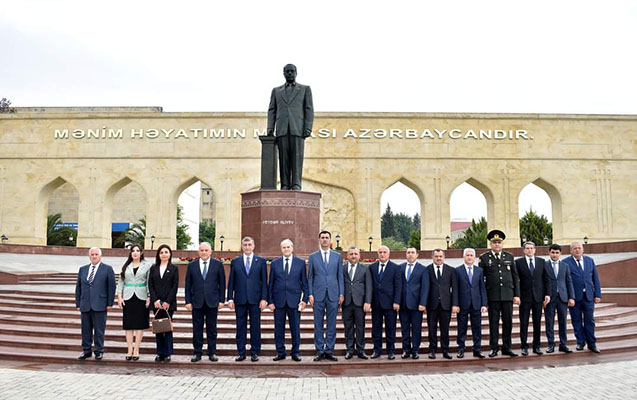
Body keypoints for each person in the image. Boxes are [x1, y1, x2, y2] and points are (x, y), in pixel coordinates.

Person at [266, 63, 314, 190]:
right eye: (287, 71)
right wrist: (270, 127)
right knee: (283, 158)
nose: (290, 73)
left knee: (297, 157)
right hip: (282, 129)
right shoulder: (276, 91)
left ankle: (296, 184)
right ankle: (285, 184)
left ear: (296, 73)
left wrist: (308, 127)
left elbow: (309, 109)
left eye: (292, 71)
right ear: (283, 73)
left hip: (297, 128)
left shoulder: (305, 89)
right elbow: (272, 110)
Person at [479, 229, 520, 357]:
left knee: (508, 323)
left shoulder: (509, 257)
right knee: (493, 323)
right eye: (494, 242)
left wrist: (516, 295)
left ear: (502, 244)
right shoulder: (484, 258)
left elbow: (515, 277)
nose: (497, 245)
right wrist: (484, 298)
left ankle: (507, 347)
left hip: (507, 295)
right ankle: (494, 348)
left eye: (499, 242)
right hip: (493, 296)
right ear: (490, 244)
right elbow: (481, 279)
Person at [227, 236, 268, 362]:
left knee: (255, 326)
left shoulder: (261, 261)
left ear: (253, 246)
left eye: (249, 245)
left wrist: (264, 298)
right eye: (245, 245)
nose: (247, 247)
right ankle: (241, 352)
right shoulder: (235, 262)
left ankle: (255, 352)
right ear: (242, 246)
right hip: (240, 299)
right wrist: (230, 298)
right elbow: (231, 281)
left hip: (255, 300)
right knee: (240, 327)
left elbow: (264, 282)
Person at [268, 238, 308, 361]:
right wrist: (270, 301)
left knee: (295, 329)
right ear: (281, 249)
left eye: (288, 247)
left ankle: (295, 352)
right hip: (278, 302)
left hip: (294, 302)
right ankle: (280, 352)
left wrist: (304, 299)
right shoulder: (275, 263)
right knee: (278, 329)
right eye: (284, 247)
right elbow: (271, 284)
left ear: (292, 248)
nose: (286, 249)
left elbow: (304, 283)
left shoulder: (300, 263)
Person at [185, 242, 225, 362]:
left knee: (212, 328)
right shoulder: (192, 266)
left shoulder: (218, 265)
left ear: (210, 252)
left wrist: (222, 300)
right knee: (197, 328)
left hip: (212, 301)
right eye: (202, 250)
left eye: (206, 250)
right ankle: (197, 352)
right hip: (196, 302)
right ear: (198, 252)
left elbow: (222, 284)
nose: (204, 252)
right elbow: (188, 285)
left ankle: (212, 352)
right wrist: (188, 301)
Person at [308, 230, 344, 361]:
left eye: (326, 237)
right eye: (322, 237)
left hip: (333, 294)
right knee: (318, 324)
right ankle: (319, 349)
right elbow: (310, 277)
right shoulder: (313, 257)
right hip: (317, 295)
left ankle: (329, 350)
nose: (324, 239)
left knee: (331, 324)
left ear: (330, 240)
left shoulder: (337, 256)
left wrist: (341, 293)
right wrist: (310, 294)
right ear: (319, 240)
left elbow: (340, 276)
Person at [75, 247, 115, 360]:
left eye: (96, 254)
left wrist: (110, 303)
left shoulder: (107, 269)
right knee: (85, 329)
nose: (94, 256)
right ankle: (86, 350)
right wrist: (78, 303)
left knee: (99, 330)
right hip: (85, 304)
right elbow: (78, 287)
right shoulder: (83, 269)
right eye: (92, 254)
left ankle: (99, 351)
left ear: (100, 256)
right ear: (89, 256)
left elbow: (111, 287)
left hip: (100, 304)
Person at [563, 241, 602, 353]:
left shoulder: (590, 260)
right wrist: (569, 297)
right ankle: (580, 342)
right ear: (571, 250)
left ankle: (592, 343)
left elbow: (595, 278)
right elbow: (565, 281)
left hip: (589, 296)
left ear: (583, 249)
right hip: (574, 298)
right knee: (576, 320)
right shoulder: (565, 262)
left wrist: (597, 294)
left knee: (590, 320)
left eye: (579, 248)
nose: (577, 250)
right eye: (574, 248)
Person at [116, 244, 151, 361]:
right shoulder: (126, 265)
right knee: (129, 324)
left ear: (141, 253)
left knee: (139, 324)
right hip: (128, 296)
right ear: (130, 253)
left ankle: (136, 349)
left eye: (137, 251)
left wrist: (149, 296)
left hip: (141, 296)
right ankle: (129, 349)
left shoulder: (147, 265)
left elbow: (149, 282)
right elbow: (121, 282)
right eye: (133, 251)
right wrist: (119, 296)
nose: (135, 253)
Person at [515, 241, 551, 355]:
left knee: (537, 323)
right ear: (524, 250)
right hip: (524, 298)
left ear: (535, 250)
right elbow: (516, 280)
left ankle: (537, 346)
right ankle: (524, 346)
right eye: (527, 248)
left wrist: (547, 294)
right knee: (524, 323)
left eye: (531, 248)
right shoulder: (518, 262)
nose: (529, 250)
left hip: (538, 297)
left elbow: (546, 279)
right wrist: (517, 295)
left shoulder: (541, 262)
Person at [369, 245, 402, 359]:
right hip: (376, 303)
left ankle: (391, 351)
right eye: (380, 252)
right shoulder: (372, 267)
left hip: (390, 303)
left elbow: (398, 286)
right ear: (377, 254)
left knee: (390, 328)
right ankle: (377, 350)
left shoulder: (395, 268)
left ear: (388, 254)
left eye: (384, 252)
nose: (382, 254)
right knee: (376, 328)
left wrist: (397, 301)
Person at [426, 248, 459, 359]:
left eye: (440, 256)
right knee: (432, 329)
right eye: (436, 256)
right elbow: (425, 288)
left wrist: (455, 304)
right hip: (431, 305)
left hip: (446, 305)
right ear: (432, 257)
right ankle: (432, 350)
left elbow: (455, 289)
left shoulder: (451, 270)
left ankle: (445, 350)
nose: (438, 258)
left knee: (445, 329)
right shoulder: (427, 270)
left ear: (444, 257)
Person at [148, 244, 179, 362]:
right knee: (158, 328)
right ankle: (160, 353)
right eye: (161, 252)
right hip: (156, 303)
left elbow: (174, 286)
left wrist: (167, 301)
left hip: (168, 304)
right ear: (158, 255)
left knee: (167, 328)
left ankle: (167, 353)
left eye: (166, 252)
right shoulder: (153, 268)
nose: (164, 254)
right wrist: (155, 300)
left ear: (170, 254)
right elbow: (150, 284)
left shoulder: (174, 268)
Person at [455, 248, 488, 359]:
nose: (469, 257)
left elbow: (482, 288)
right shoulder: (457, 270)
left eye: (471, 255)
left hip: (476, 304)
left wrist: (484, 304)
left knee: (477, 328)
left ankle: (477, 349)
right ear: (463, 257)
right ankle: (461, 349)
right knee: (461, 328)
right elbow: (455, 289)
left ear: (474, 257)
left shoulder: (479, 271)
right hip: (462, 304)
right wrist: (455, 304)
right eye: (467, 255)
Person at [342, 246, 372, 360]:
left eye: (355, 254)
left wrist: (368, 301)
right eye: (351, 254)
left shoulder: (365, 269)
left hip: (360, 303)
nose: (353, 256)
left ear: (359, 256)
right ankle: (349, 350)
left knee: (360, 327)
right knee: (348, 327)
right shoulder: (342, 268)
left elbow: (369, 286)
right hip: (346, 303)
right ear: (347, 256)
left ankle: (360, 350)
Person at [398, 247, 428, 359]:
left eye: (412, 253)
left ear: (417, 255)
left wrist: (423, 303)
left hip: (416, 305)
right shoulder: (400, 268)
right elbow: (398, 286)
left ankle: (415, 350)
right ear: (406, 254)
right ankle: (406, 350)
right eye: (408, 253)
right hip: (403, 304)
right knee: (404, 328)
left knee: (416, 328)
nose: (410, 255)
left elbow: (425, 288)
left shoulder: (423, 269)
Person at [545, 244, 575, 353]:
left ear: (560, 253)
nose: (555, 255)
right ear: (549, 253)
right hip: (550, 298)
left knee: (563, 321)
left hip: (563, 297)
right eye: (553, 252)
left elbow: (569, 282)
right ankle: (551, 344)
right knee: (549, 322)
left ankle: (563, 344)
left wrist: (571, 297)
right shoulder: (545, 265)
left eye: (557, 253)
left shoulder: (565, 266)